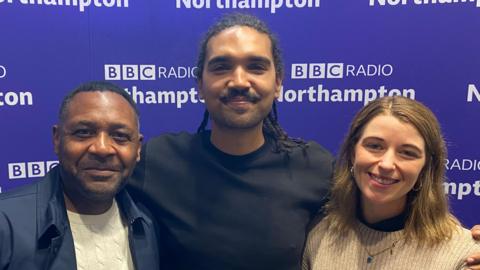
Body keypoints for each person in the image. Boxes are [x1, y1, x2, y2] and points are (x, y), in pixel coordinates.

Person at [128, 13, 334, 270]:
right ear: (200, 85)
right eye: (221, 67)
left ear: (278, 82)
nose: (238, 81)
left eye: (256, 67)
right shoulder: (157, 160)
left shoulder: (315, 166)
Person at [302, 96, 480, 270]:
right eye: (375, 146)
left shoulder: (464, 254)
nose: (386, 164)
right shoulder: (318, 235)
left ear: (426, 168)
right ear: (352, 152)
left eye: (408, 153)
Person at [0, 81, 159, 270]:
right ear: (57, 139)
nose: (102, 148)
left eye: (120, 136)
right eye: (83, 133)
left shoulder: (147, 224)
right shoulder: (5, 223)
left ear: (138, 148)